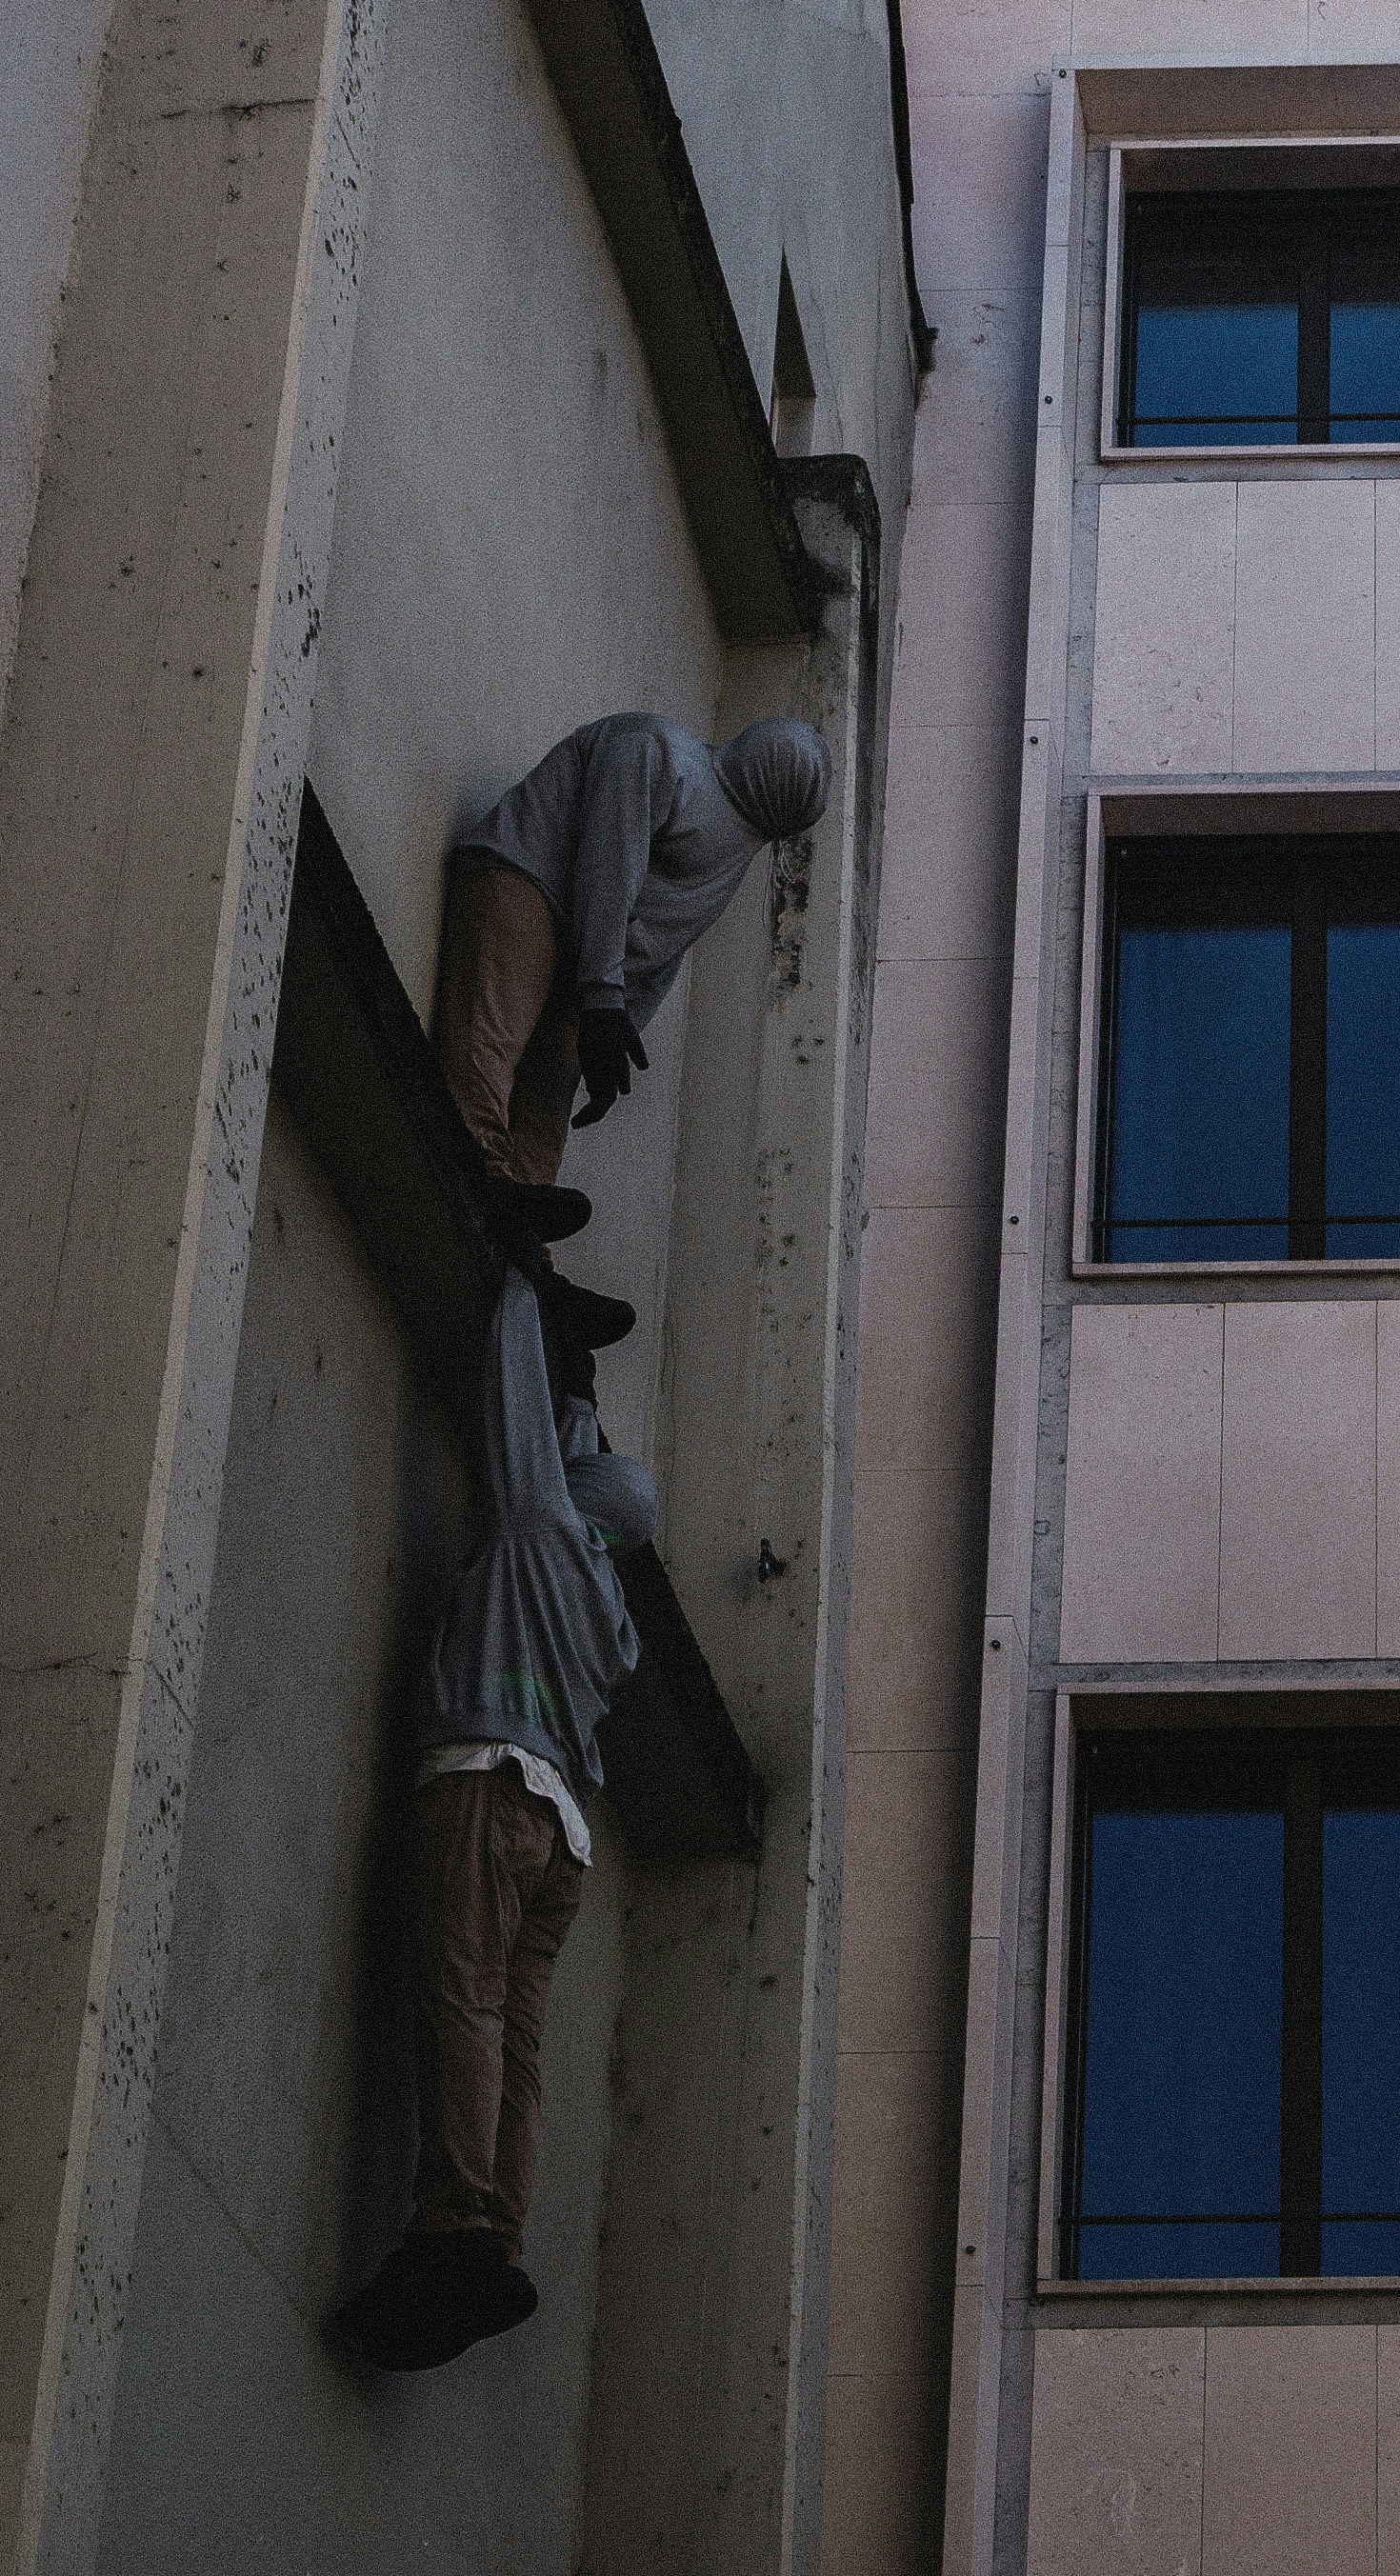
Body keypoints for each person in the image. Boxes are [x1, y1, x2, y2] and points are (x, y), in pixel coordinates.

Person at [337, 1267, 656, 2373]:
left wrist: (519, 1284)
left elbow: (518, 1419)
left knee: (461, 2002)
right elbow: (570, 1457)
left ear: (576, 1498)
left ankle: (455, 2226)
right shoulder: (610, 1609)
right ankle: (499, 2244)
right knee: (518, 2043)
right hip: (560, 1838)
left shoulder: (534, 1531)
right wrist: (585, 1384)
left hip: (486, 1787)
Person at [434, 711, 831, 1237]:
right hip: (530, 877)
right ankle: (480, 1176)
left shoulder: (734, 852)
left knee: (550, 1093)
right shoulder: (655, 749)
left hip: (592, 964)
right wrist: (604, 1001)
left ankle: (526, 1252)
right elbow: (608, 864)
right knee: (489, 1039)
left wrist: (613, 1033)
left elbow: (662, 948)